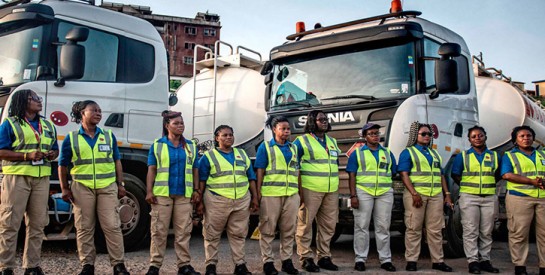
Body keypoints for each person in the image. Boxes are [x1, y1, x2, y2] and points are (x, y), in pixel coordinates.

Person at [58, 100, 129, 275]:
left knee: (112, 226)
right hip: (82, 187)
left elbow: (116, 161)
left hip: (107, 186)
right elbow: (62, 165)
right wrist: (65, 188)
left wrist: (120, 185)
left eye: (100, 111)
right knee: (84, 227)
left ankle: (118, 265)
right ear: (82, 113)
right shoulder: (72, 138)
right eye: (94, 110)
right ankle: (87, 265)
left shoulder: (108, 135)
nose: (98, 113)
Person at [0, 89, 59, 275]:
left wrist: (52, 154)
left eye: (39, 98)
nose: (39, 101)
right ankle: (5, 267)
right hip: (17, 178)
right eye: (34, 99)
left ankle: (32, 266)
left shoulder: (48, 126)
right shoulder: (10, 124)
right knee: (10, 223)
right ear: (23, 102)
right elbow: (1, 151)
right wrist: (27, 155)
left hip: (41, 179)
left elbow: (56, 150)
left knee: (37, 224)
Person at [196, 125, 259, 275]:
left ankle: (240, 265)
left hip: (241, 200)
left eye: (231, 134)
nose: (229, 137)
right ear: (217, 138)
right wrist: (199, 202)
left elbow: (251, 178)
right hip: (216, 200)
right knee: (212, 234)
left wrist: (255, 197)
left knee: (239, 234)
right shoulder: (208, 156)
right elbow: (202, 181)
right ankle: (211, 266)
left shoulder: (242, 154)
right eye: (224, 135)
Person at [144, 111, 200, 275]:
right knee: (159, 231)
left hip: (184, 194)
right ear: (167, 125)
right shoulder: (157, 145)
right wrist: (149, 191)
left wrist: (197, 190)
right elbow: (151, 169)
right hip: (162, 194)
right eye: (176, 123)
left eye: (182, 123)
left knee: (183, 231)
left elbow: (195, 170)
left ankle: (184, 266)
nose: (180, 126)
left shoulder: (190, 146)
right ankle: (154, 266)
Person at [397, 122, 453, 272]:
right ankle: (411, 260)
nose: (427, 136)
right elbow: (404, 174)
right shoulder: (408, 152)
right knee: (413, 228)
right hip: (416, 195)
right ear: (416, 135)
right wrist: (414, 194)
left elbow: (441, 175)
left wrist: (447, 194)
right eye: (424, 134)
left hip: (435, 195)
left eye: (429, 134)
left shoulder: (434, 153)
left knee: (435, 230)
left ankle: (438, 261)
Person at [294, 110, 340, 272]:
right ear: (312, 122)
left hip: (331, 189)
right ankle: (306, 258)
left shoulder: (332, 141)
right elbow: (295, 167)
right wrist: (298, 190)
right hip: (310, 189)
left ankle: (324, 257)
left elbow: (334, 164)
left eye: (326, 119)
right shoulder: (301, 141)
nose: (325, 121)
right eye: (321, 119)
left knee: (328, 226)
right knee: (305, 224)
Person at [346, 123, 397, 272]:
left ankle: (385, 260)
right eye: (371, 133)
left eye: (377, 133)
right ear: (364, 137)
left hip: (384, 193)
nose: (375, 136)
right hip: (363, 192)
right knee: (361, 226)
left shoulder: (387, 153)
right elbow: (352, 175)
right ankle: (360, 259)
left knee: (383, 227)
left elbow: (392, 172)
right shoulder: (357, 153)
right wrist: (353, 195)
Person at [451, 126, 500, 274]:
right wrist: (469, 187)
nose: (477, 138)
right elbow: (455, 175)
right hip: (469, 197)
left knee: (486, 231)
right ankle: (473, 261)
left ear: (485, 137)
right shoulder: (463, 156)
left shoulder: (495, 156)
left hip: (489, 197)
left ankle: (485, 260)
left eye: (480, 135)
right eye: (474, 136)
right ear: (469, 140)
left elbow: (497, 175)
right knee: (470, 230)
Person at [254, 116, 300, 275]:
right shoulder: (265, 147)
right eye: (283, 128)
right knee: (267, 230)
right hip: (271, 194)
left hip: (291, 195)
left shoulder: (293, 148)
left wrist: (298, 192)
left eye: (288, 129)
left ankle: (287, 262)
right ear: (274, 129)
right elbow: (260, 170)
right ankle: (268, 262)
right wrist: (258, 193)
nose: (287, 131)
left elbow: (296, 171)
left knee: (289, 230)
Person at [501, 126, 545, 275]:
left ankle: (543, 266)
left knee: (544, 234)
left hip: (542, 199)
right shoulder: (510, 155)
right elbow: (506, 175)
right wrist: (532, 182)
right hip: (519, 198)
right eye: (522, 136)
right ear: (515, 140)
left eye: (529, 135)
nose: (526, 138)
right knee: (519, 233)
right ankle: (520, 267)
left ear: (533, 138)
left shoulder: (542, 154)